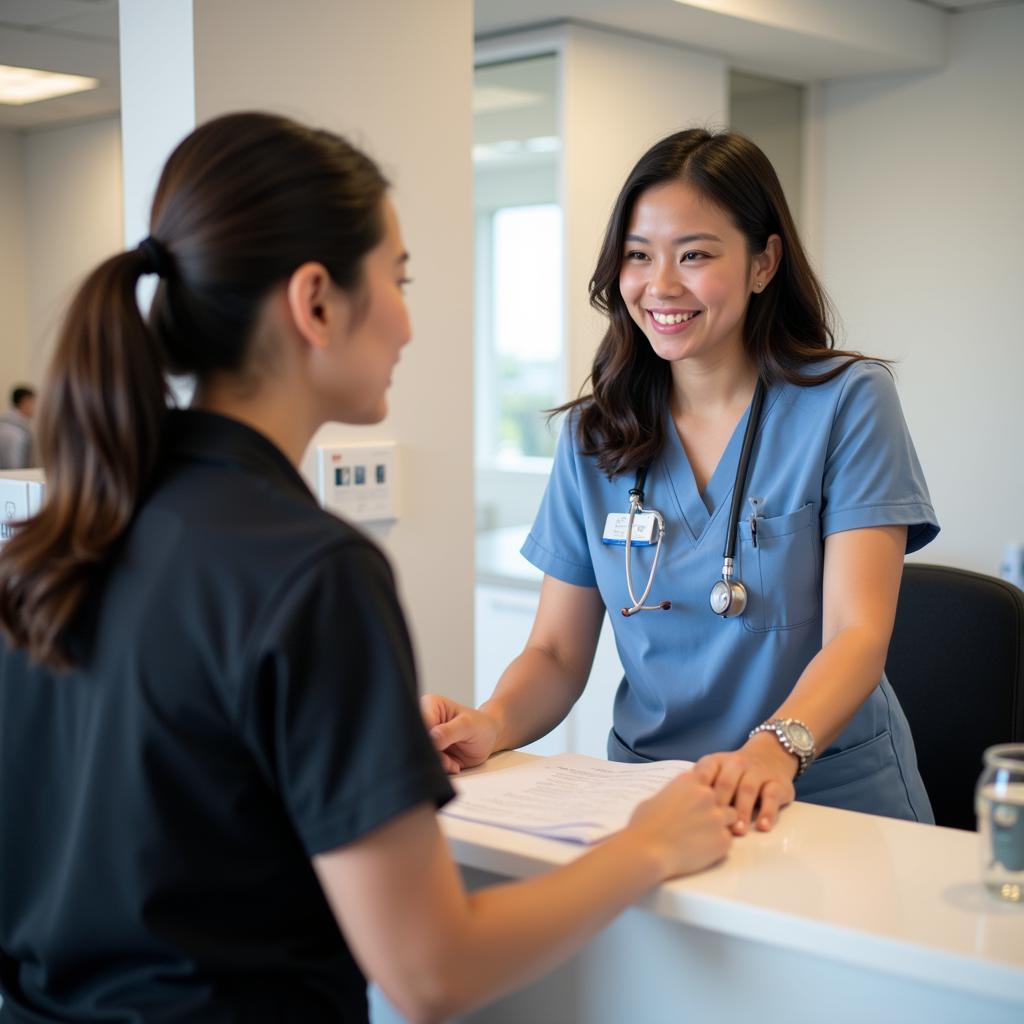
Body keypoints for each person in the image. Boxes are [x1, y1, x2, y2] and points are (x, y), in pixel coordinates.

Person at [0, 112, 735, 1024]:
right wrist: (648, 849)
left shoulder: (54, 543)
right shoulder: (308, 572)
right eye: (398, 279)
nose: (408, 322)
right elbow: (432, 972)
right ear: (315, 302)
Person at [423, 128, 939, 834]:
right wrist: (490, 723)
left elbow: (856, 633)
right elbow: (555, 652)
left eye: (694, 255)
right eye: (638, 256)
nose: (660, 285)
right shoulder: (592, 435)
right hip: (651, 798)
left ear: (764, 263)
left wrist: (772, 749)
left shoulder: (846, 402)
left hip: (824, 795)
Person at [0, 386, 36, 469]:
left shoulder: (8, 424)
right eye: (34, 402)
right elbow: (15, 467)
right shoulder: (15, 433)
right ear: (25, 401)